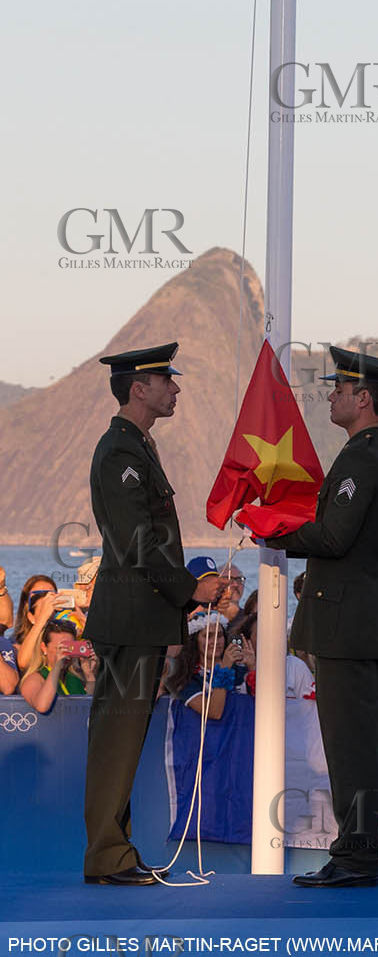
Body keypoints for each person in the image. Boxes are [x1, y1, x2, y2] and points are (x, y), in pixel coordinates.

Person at [260, 346, 378, 888]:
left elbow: (332, 536)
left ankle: (354, 856)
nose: (331, 395)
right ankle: (360, 852)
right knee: (364, 744)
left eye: (341, 389)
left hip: (345, 623)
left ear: (364, 399)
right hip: (362, 619)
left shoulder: (360, 458)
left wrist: (270, 529)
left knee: (351, 746)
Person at [83, 343, 222, 887]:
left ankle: (112, 853)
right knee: (116, 748)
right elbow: (137, 542)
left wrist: (189, 591)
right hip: (130, 620)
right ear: (139, 388)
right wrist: (191, 589)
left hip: (139, 619)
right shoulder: (120, 451)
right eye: (168, 380)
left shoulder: (137, 446)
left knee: (122, 746)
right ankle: (107, 857)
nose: (176, 388)